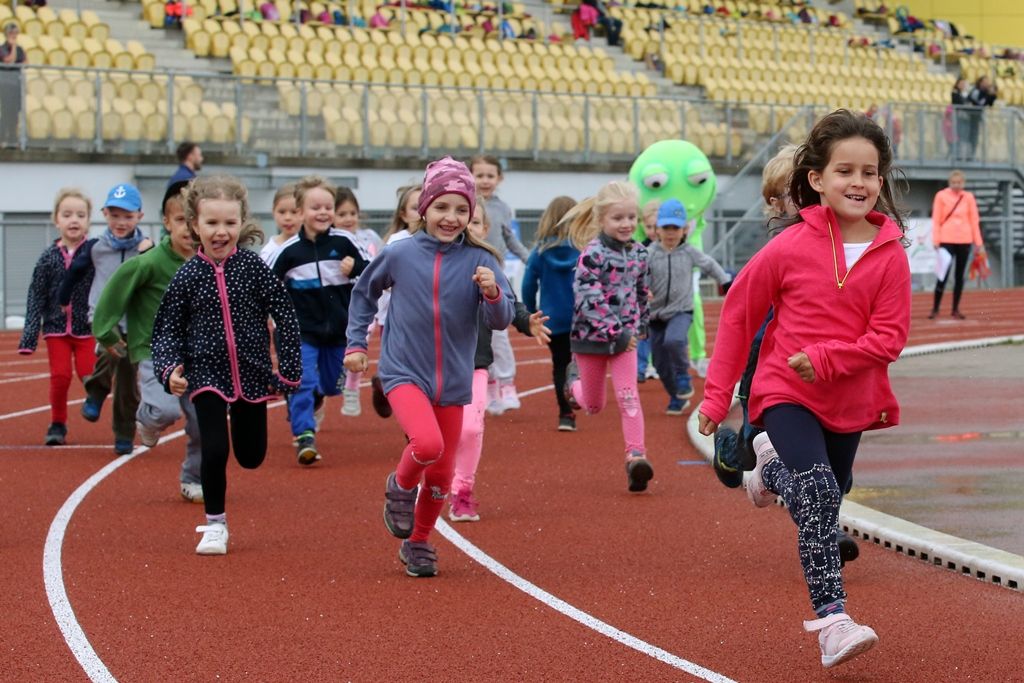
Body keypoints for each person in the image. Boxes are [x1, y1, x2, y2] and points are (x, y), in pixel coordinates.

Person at [698, 109, 911, 669]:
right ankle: (833, 622)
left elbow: (889, 339)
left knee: (830, 490)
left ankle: (768, 472)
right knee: (817, 494)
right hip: (784, 390)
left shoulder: (891, 254)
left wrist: (827, 358)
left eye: (870, 172)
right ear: (817, 179)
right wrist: (718, 397)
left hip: (850, 401)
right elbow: (740, 316)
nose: (859, 182)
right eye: (845, 170)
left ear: (881, 181)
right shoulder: (789, 246)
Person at [344, 156, 515, 578]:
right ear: (424, 209)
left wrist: (493, 294)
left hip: (454, 380)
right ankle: (400, 486)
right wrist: (356, 342)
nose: (451, 217)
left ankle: (418, 542)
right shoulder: (400, 253)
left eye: (461, 209)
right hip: (404, 371)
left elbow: (501, 321)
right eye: (442, 207)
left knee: (440, 475)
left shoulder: (482, 260)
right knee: (427, 444)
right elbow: (364, 294)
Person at [709, 145, 862, 566]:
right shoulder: (781, 246)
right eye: (794, 195)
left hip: (817, 370)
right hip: (767, 363)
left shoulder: (839, 240)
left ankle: (820, 523)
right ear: (776, 203)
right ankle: (732, 454)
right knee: (751, 445)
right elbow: (742, 314)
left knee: (837, 477)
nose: (806, 204)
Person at [151, 175, 302, 555]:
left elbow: (284, 314)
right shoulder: (187, 276)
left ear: (242, 223)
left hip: (252, 373)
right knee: (214, 449)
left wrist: (288, 367)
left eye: (229, 223)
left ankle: (243, 452)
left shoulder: (252, 268)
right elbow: (166, 329)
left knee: (251, 457)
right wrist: (169, 370)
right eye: (212, 223)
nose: (221, 232)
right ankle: (215, 525)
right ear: (195, 226)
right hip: (205, 375)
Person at [91, 182, 204, 502]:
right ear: (167, 223)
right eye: (180, 220)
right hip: (156, 351)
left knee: (201, 422)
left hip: (198, 356)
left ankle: (192, 477)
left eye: (193, 220)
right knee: (164, 411)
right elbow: (114, 291)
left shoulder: (209, 263)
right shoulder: (150, 262)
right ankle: (147, 420)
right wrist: (106, 332)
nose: (188, 228)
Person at [449, 201, 549, 522]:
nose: (467, 226)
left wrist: (524, 321)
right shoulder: (428, 261)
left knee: (471, 428)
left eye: (475, 222)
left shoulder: (488, 264)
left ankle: (462, 491)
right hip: (431, 363)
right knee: (432, 437)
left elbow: (509, 302)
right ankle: (421, 482)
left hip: (475, 361)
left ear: (485, 228)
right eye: (464, 220)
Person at [563, 180, 653, 493]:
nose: (627, 224)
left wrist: (641, 324)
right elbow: (588, 298)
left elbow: (642, 292)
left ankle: (636, 456)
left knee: (628, 397)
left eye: (631, 217)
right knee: (594, 406)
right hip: (592, 338)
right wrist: (616, 331)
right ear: (602, 220)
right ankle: (572, 386)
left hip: (625, 339)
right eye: (618, 218)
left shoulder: (641, 253)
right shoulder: (593, 255)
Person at [272, 176, 368, 464]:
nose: (324, 212)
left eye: (328, 207)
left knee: (331, 385)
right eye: (316, 207)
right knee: (303, 380)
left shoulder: (345, 242)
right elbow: (272, 289)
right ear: (301, 212)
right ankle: (304, 435)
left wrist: (356, 268)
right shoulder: (288, 252)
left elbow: (370, 273)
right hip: (304, 332)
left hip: (339, 331)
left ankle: (317, 395)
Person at [60, 183, 151, 455]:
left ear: (139, 217)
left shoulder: (147, 249)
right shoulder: (95, 247)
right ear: (104, 214)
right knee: (112, 352)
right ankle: (97, 390)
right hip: (103, 315)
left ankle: (124, 433)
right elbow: (75, 272)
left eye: (127, 216)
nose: (120, 222)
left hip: (133, 320)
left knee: (126, 381)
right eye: (114, 215)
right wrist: (63, 299)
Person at [18, 189, 97, 446]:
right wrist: (29, 337)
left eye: (80, 215)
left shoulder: (97, 253)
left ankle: (96, 404)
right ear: (56, 220)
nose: (74, 220)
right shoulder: (47, 258)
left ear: (88, 220)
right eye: (67, 214)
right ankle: (58, 423)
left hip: (87, 327)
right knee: (60, 376)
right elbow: (35, 296)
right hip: (55, 328)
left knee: (89, 374)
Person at [647, 198, 731, 416]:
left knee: (674, 339)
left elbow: (709, 264)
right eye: (666, 227)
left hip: (680, 311)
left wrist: (724, 281)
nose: (671, 232)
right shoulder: (649, 253)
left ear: (685, 229)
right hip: (655, 315)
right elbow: (636, 275)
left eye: (676, 227)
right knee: (659, 363)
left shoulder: (689, 252)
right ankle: (676, 395)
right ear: (657, 229)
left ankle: (683, 374)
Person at [469, 154, 529, 415]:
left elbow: (510, 238)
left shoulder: (503, 208)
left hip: (494, 277)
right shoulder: (463, 205)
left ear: (499, 178)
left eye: (490, 176)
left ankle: (507, 384)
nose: (484, 180)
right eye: (479, 175)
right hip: (466, 277)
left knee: (500, 335)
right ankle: (490, 387)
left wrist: (530, 258)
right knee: (475, 336)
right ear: (470, 176)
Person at [522, 195, 580, 431]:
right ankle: (579, 392)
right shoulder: (584, 249)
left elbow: (528, 285)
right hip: (582, 318)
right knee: (580, 362)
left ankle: (565, 414)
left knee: (559, 364)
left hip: (552, 319)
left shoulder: (539, 251)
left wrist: (531, 311)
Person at [334, 186, 384, 418]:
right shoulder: (330, 242)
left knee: (359, 340)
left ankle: (352, 388)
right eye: (342, 214)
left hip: (366, 304)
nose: (348, 219)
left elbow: (381, 263)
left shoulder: (369, 237)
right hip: (337, 304)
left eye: (352, 213)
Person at [929, 169, 983, 320]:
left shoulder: (968, 197)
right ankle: (935, 308)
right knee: (943, 275)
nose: (956, 185)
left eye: (959, 183)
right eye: (954, 182)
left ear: (963, 183)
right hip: (946, 240)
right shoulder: (941, 196)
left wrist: (978, 241)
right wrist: (936, 240)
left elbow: (974, 219)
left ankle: (955, 309)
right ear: (949, 183)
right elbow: (936, 218)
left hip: (965, 240)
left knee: (960, 276)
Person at [636, 199, 660, 383]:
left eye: (656, 226)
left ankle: (658, 365)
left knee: (661, 336)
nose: (652, 231)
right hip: (644, 299)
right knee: (643, 334)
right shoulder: (639, 248)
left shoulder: (670, 248)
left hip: (664, 301)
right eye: (648, 226)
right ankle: (641, 368)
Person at [258, 183, 300, 265]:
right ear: (273, 212)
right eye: (282, 212)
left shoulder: (314, 247)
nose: (287, 217)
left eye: (294, 212)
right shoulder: (269, 251)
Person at [0, 22, 26, 147]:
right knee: (5, 112)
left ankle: (13, 138)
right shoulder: (2, 48)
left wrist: (16, 48)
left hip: (16, 84)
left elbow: (25, 61)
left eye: (16, 33)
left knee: (15, 113)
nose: (14, 36)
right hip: (5, 85)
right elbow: (8, 61)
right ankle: (3, 138)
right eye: (12, 33)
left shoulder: (20, 49)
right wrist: (13, 47)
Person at [965, 76, 997, 160]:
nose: (987, 84)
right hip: (970, 117)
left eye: (987, 81)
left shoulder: (985, 92)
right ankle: (968, 155)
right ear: (980, 82)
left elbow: (989, 104)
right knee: (970, 136)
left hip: (977, 117)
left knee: (975, 137)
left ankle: (972, 155)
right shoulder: (976, 91)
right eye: (985, 82)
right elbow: (977, 103)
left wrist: (992, 95)